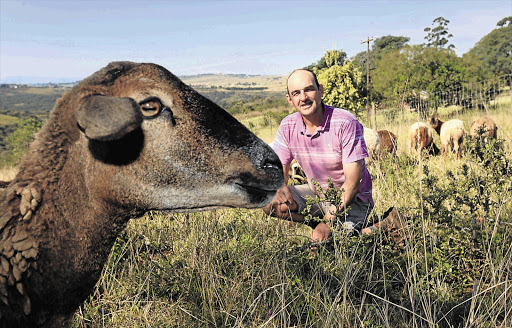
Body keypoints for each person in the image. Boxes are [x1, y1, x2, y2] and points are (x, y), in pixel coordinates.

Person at [263, 69, 373, 243]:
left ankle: (383, 225)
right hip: (318, 195)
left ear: (320, 90)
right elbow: (279, 170)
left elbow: (352, 183)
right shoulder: (287, 126)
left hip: (354, 200)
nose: (303, 97)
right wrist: (279, 187)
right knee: (268, 201)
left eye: (309, 89)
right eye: (296, 93)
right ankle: (318, 226)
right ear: (290, 99)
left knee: (340, 245)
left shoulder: (346, 123)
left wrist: (327, 223)